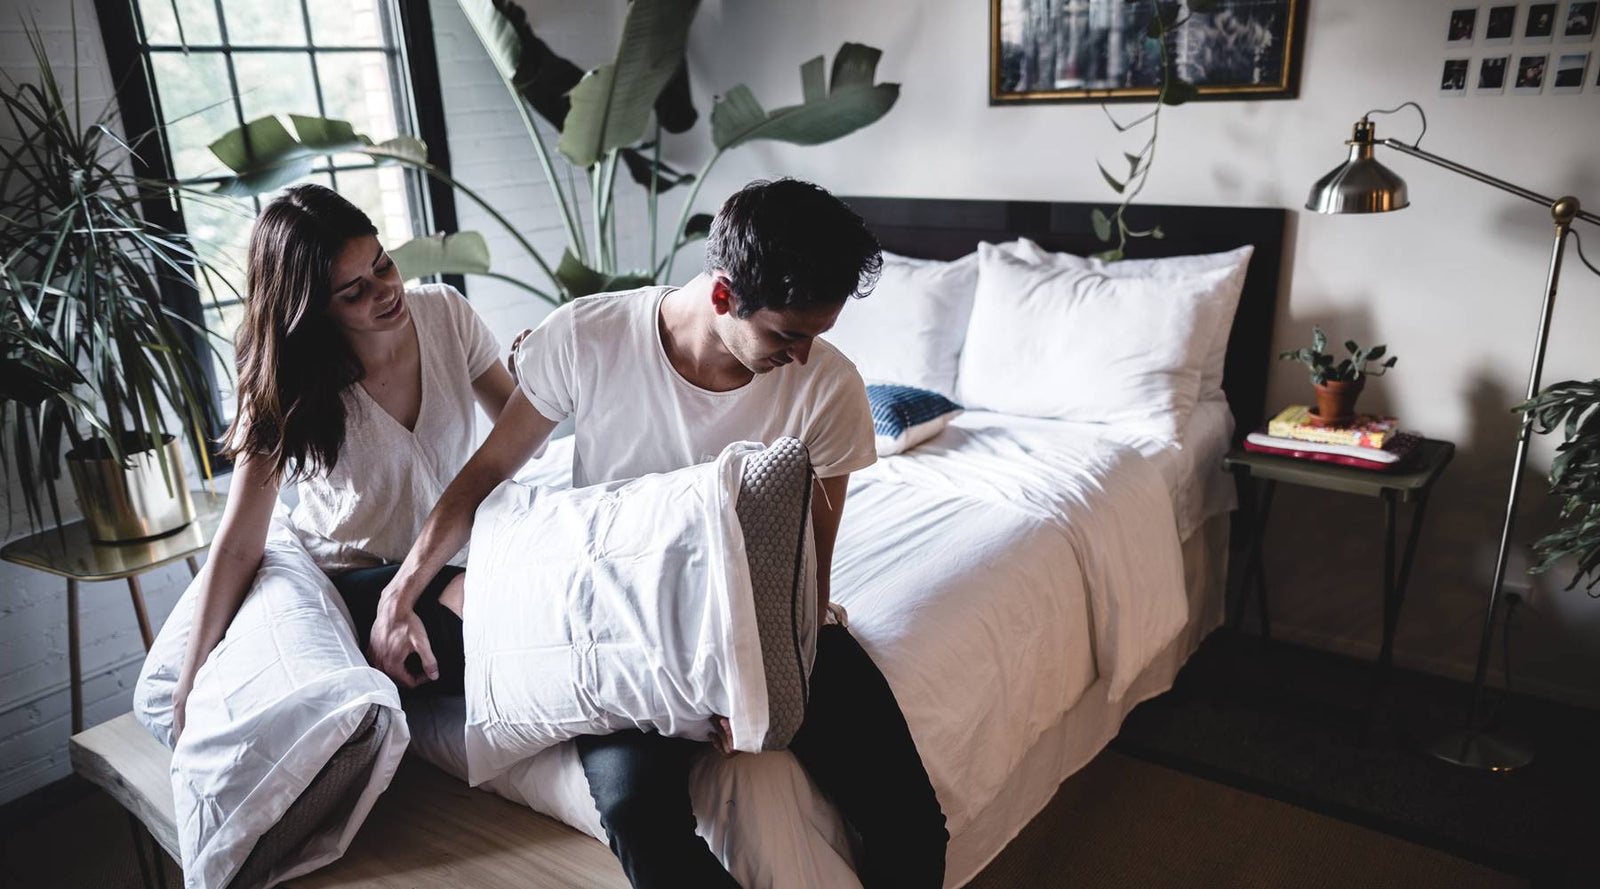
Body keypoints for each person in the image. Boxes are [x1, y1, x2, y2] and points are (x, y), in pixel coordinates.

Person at [369, 178, 949, 887]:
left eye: (817, 335)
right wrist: (401, 591)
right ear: (723, 294)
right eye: (787, 334)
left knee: (912, 824)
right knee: (637, 813)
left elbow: (812, 569)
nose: (802, 355)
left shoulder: (829, 387)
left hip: (769, 616)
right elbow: (485, 474)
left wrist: (764, 683)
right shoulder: (587, 335)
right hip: (623, 624)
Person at [169, 183, 517, 740]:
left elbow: (519, 425)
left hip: (454, 554)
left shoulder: (446, 314)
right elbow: (238, 544)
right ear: (311, 308)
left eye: (383, 264)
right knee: (490, 630)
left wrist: (541, 372)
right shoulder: (287, 380)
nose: (385, 291)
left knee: (523, 611)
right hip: (360, 574)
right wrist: (189, 679)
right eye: (354, 291)